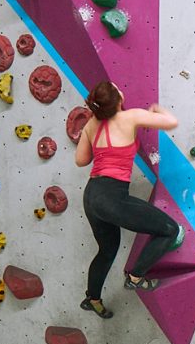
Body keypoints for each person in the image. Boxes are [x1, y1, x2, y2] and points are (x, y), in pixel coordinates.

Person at [74, 82, 183, 319]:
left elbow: (81, 160)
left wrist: (99, 146)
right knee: (169, 230)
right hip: (112, 199)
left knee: (107, 250)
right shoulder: (130, 117)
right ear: (118, 99)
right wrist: (156, 110)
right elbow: (171, 122)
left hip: (92, 195)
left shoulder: (91, 125)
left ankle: (92, 299)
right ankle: (135, 277)